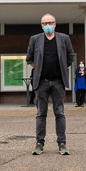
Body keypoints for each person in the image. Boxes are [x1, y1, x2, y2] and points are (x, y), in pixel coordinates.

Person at [26, 13, 75, 156]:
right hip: (41, 83)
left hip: (58, 82)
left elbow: (70, 56)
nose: (47, 25)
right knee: (41, 113)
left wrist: (61, 67)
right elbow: (29, 58)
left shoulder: (64, 38)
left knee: (59, 112)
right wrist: (39, 69)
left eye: (50, 23)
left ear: (55, 24)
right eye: (44, 23)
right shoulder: (35, 39)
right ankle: (39, 143)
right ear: (41, 26)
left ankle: (62, 143)